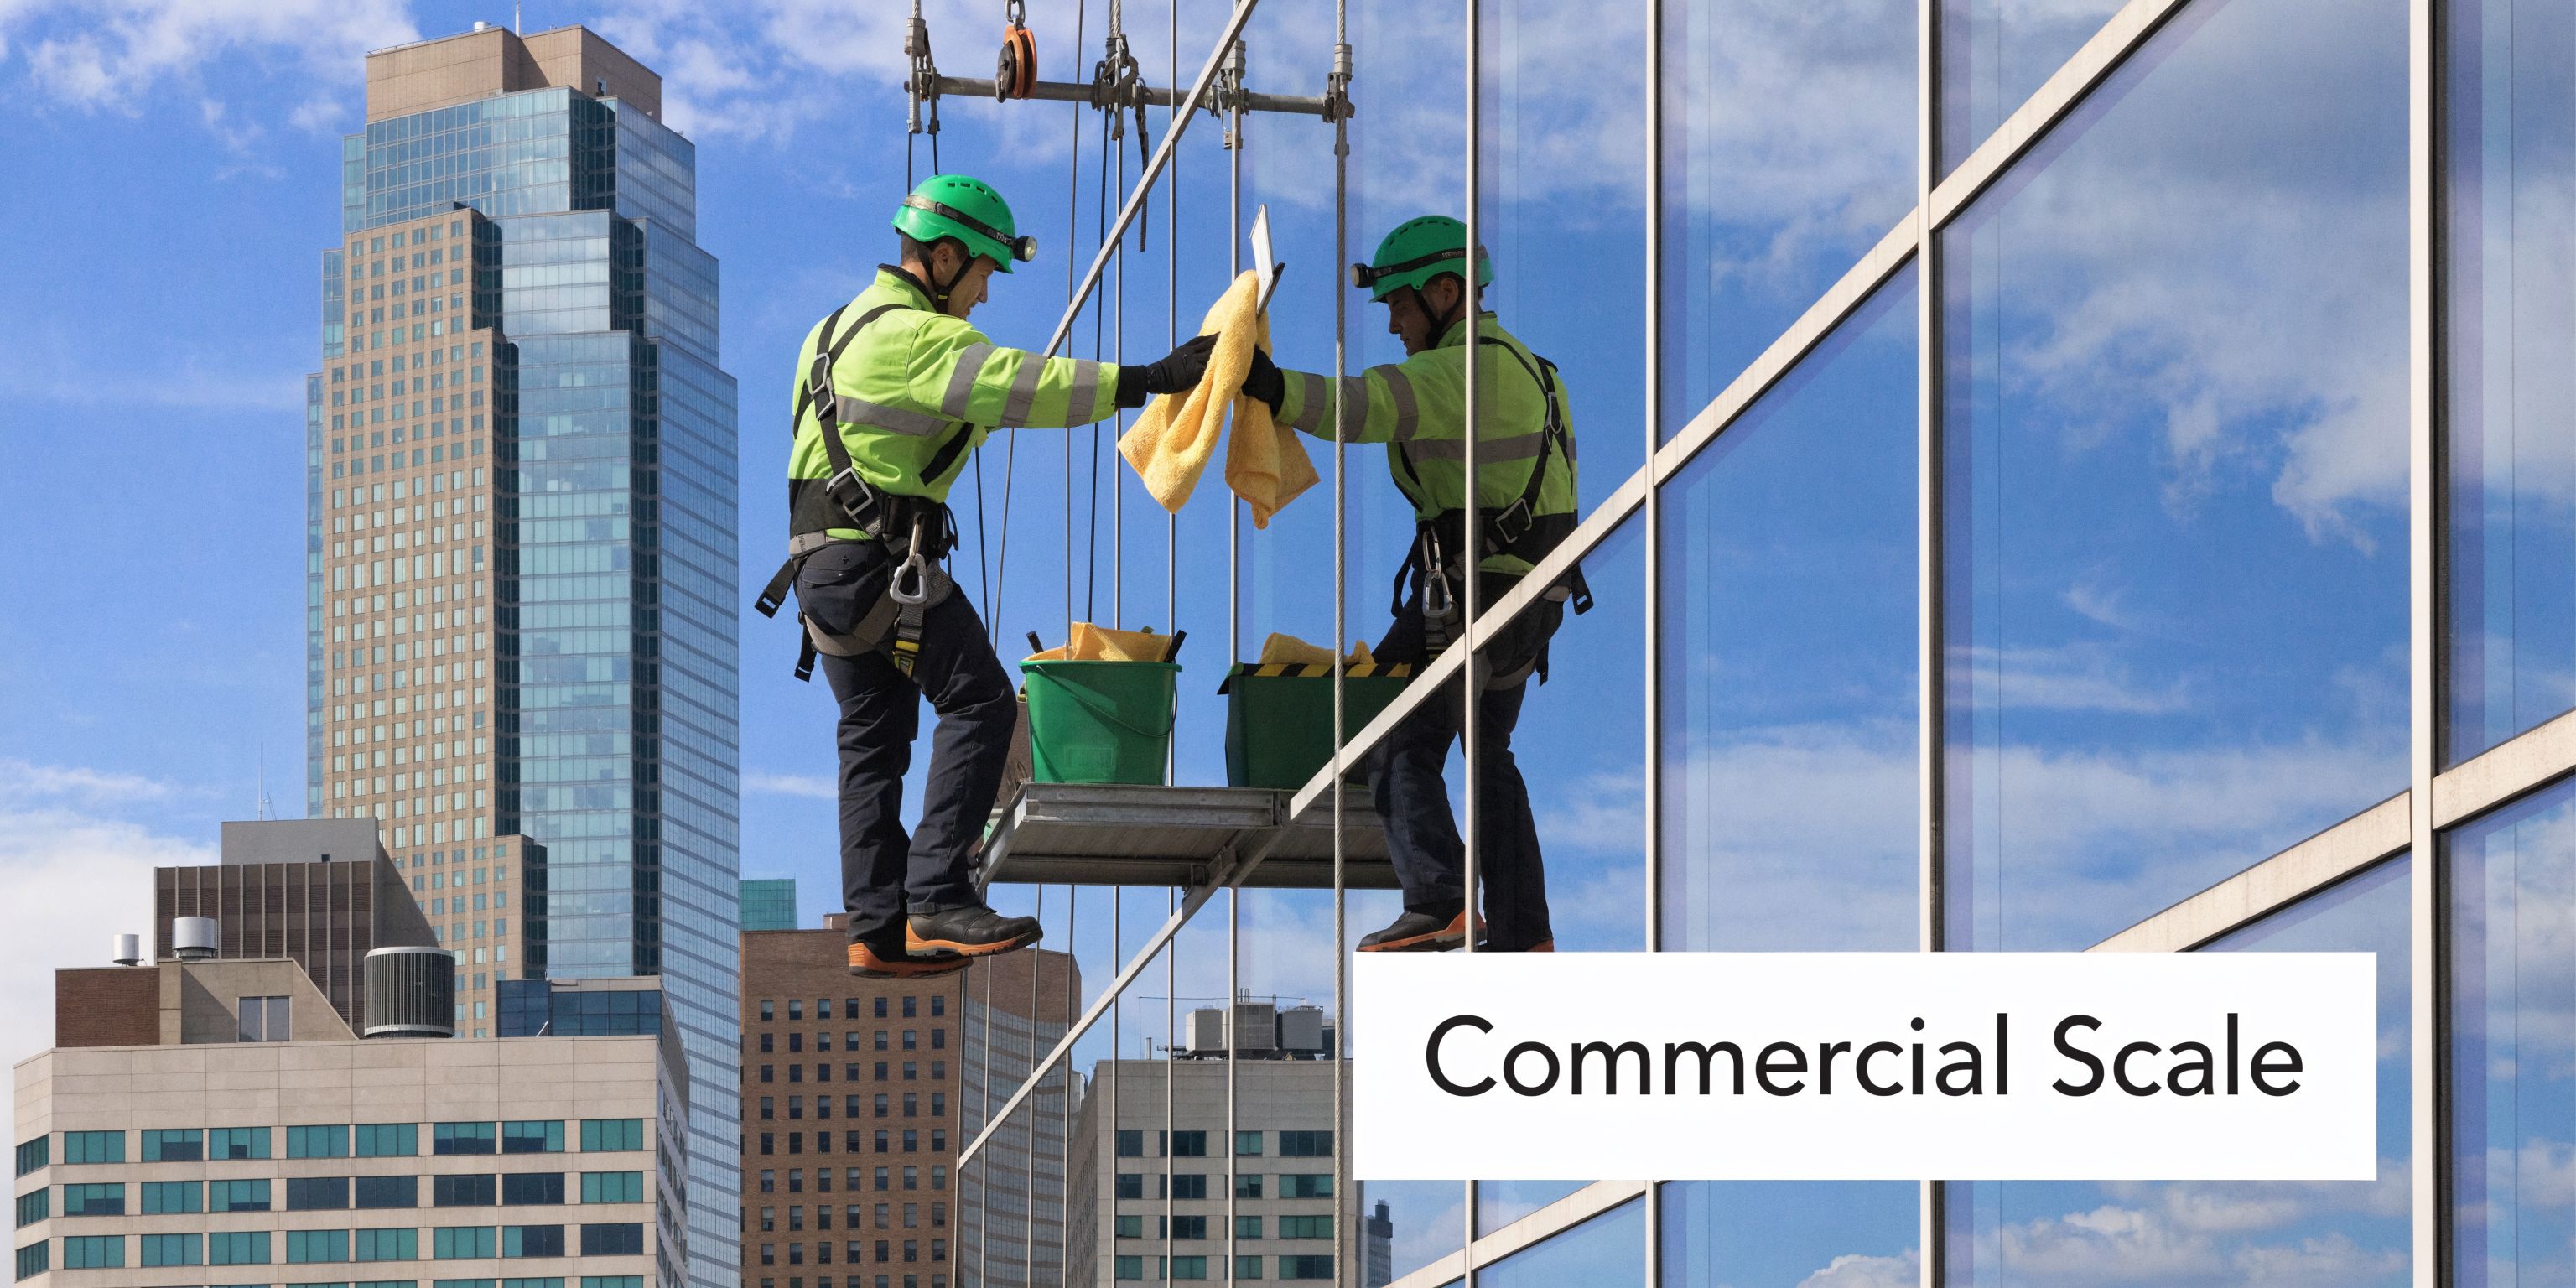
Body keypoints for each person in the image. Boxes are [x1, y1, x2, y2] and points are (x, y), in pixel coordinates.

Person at [758, 174, 1218, 979]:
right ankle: (937, 894)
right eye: (981, 274)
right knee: (981, 702)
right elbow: (1027, 386)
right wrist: (1148, 379)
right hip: (880, 564)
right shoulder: (921, 338)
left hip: (818, 572)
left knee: (871, 745)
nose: (981, 295)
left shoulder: (827, 332)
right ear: (942, 257)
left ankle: (878, 928)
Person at [1240, 216, 1584, 953]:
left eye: (1400, 305)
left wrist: (1270, 388)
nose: (1394, 324)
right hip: (1521, 594)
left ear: (1445, 292)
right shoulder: (1531, 366)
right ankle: (1524, 933)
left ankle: (1439, 901)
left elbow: (1362, 405)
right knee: (1486, 753)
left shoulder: (1467, 369)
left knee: (1392, 741)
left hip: (1476, 592)